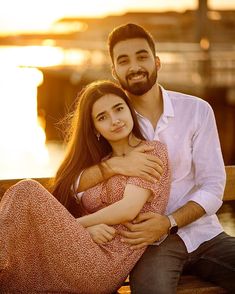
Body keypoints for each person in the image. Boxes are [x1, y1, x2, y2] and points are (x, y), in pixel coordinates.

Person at [75, 23, 235, 293]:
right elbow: (74, 183)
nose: (135, 66)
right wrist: (112, 166)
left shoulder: (197, 111)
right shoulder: (111, 120)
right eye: (124, 61)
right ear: (114, 72)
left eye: (142, 56)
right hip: (145, 245)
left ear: (157, 62)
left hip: (204, 234)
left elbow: (213, 185)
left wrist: (169, 222)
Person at [0, 80, 170, 293]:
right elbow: (68, 186)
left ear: (130, 110)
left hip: (105, 265)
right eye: (102, 117)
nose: (114, 120)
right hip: (79, 253)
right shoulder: (99, 163)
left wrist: (74, 227)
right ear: (95, 128)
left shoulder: (151, 152)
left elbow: (128, 209)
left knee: (26, 190)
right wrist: (82, 230)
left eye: (119, 109)